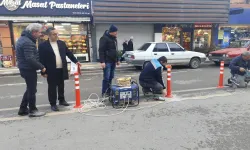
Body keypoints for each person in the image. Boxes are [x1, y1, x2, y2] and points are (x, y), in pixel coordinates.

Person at [39, 27, 81, 111]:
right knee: (52, 87)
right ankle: (53, 103)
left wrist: (76, 61)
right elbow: (41, 59)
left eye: (57, 34)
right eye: (54, 34)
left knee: (61, 85)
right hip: (51, 70)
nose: (56, 36)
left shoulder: (61, 43)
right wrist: (43, 71)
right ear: (49, 35)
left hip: (61, 68)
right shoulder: (43, 46)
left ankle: (61, 100)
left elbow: (68, 53)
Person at [15, 23, 46, 117]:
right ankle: (33, 110)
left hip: (24, 68)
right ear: (34, 32)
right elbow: (30, 58)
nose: (40, 34)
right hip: (28, 69)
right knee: (32, 90)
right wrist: (41, 67)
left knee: (29, 89)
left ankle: (23, 109)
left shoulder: (23, 39)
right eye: (39, 32)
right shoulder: (28, 42)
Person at [99, 25, 120, 96]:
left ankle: (109, 91)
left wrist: (117, 59)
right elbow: (101, 50)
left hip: (113, 61)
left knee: (111, 77)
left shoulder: (114, 39)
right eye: (115, 31)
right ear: (112, 31)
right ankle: (104, 92)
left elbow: (115, 50)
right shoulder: (104, 38)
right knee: (106, 78)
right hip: (107, 61)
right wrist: (102, 61)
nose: (117, 33)